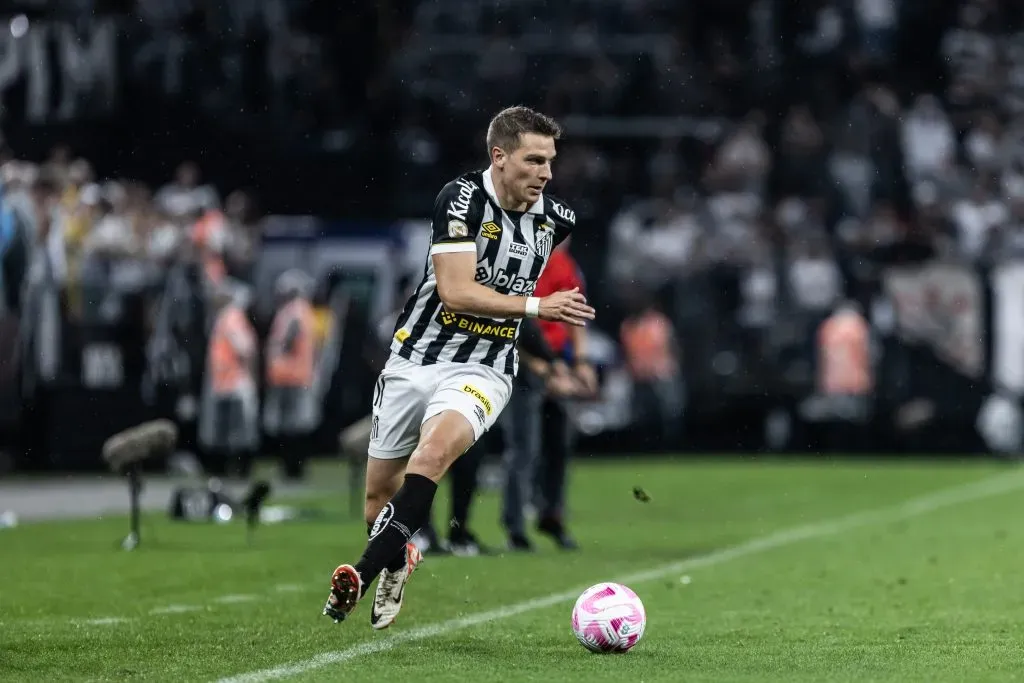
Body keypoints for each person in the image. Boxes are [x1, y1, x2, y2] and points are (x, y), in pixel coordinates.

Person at [322, 105, 596, 629]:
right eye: (534, 160)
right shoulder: (461, 198)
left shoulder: (557, 220)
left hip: (485, 367)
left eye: (550, 161)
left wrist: (550, 358)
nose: (546, 173)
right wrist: (540, 307)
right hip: (416, 357)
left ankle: (355, 580)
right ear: (499, 156)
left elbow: (525, 295)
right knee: (379, 496)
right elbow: (454, 293)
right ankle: (398, 558)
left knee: (433, 454)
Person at [502, 237, 597, 551]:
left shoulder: (563, 264)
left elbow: (576, 314)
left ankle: (551, 514)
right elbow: (506, 322)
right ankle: (516, 527)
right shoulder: (517, 261)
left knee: (558, 443)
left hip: (555, 362)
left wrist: (580, 362)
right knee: (524, 447)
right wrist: (542, 368)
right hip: (521, 361)